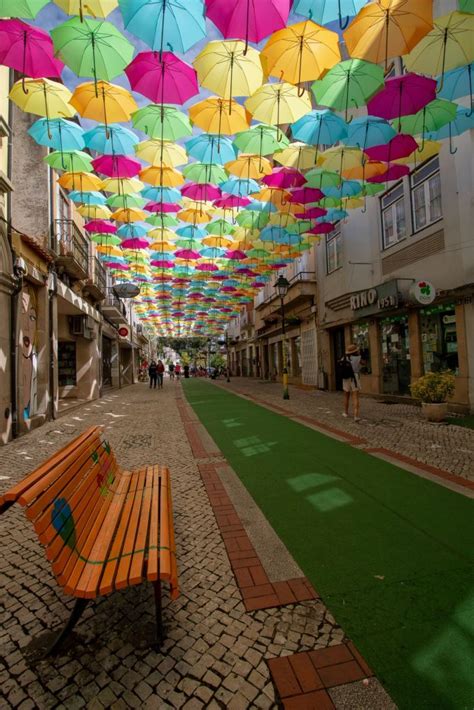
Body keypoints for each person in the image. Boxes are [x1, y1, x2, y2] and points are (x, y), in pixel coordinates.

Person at [339, 344, 363, 422]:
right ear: (355, 351)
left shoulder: (344, 358)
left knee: (346, 396)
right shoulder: (358, 358)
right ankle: (356, 416)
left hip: (346, 378)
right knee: (355, 396)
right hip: (354, 377)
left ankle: (345, 412)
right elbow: (361, 365)